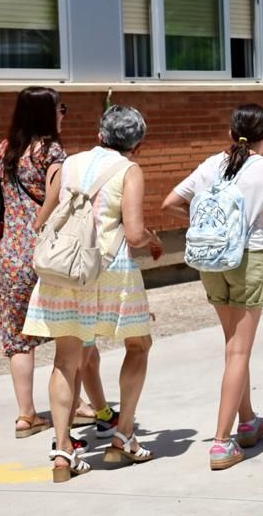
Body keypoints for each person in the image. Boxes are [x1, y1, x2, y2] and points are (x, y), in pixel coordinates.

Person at [23, 105, 165, 481]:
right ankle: (122, 437)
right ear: (138, 144)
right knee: (138, 345)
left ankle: (63, 452)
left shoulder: (69, 163)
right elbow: (133, 234)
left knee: (66, 358)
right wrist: (152, 239)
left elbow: (43, 219)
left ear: (100, 133)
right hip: (108, 270)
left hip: (66, 269)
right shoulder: (129, 171)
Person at [162, 103, 263, 471]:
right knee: (239, 352)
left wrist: (203, 221)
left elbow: (171, 202)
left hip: (211, 260)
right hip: (247, 259)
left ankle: (247, 421)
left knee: (232, 346)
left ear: (230, 133)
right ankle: (222, 444)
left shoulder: (211, 164)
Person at [0, 88, 113, 439]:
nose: (64, 113)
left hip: (8, 255)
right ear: (48, 113)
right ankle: (74, 407)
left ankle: (26, 416)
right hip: (48, 254)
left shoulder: (3, 150)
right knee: (68, 333)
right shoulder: (53, 151)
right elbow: (58, 193)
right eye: (61, 107)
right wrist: (39, 224)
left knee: (18, 338)